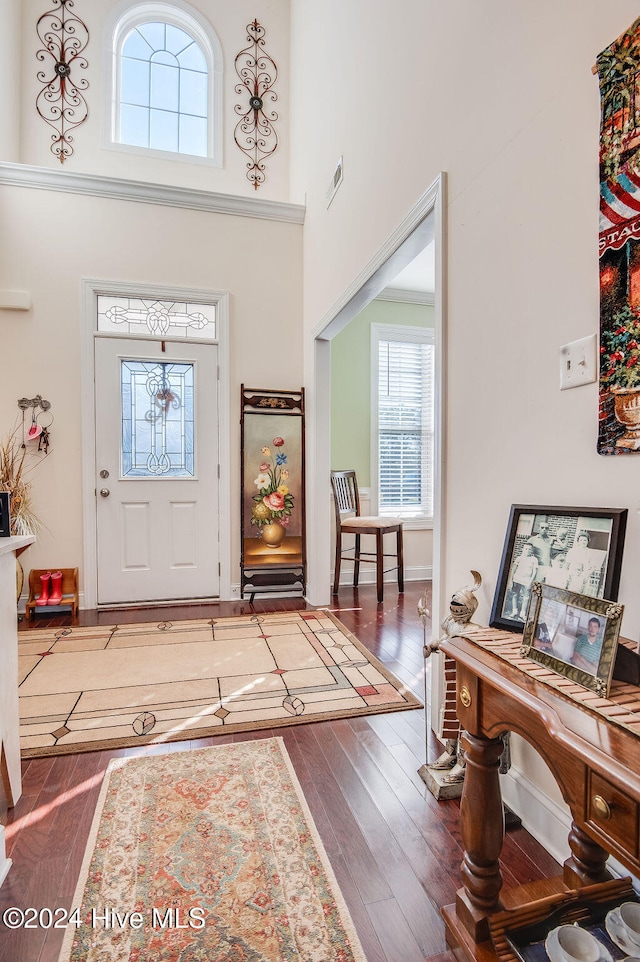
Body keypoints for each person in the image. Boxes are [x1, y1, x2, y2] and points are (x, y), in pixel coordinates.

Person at [505, 542, 538, 621]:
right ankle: (514, 611)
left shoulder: (534, 559)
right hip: (517, 579)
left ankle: (522, 614)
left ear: (532, 550)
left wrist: (530, 582)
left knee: (526, 597)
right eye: (526, 549)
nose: (527, 550)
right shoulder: (519, 558)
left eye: (529, 549)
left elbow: (534, 572)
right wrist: (511, 580)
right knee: (515, 595)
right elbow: (513, 570)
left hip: (526, 580)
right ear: (523, 549)